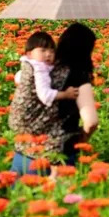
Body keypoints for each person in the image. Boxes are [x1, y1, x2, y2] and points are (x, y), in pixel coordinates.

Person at [8, 31, 80, 176]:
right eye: (43, 50)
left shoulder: (28, 66)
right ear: (29, 54)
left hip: (23, 148)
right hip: (42, 147)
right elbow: (45, 95)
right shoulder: (39, 70)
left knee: (17, 190)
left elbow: (18, 77)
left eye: (52, 50)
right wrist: (66, 94)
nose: (48, 54)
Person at [48, 24, 99, 168]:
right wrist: (82, 138)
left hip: (26, 151)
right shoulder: (78, 76)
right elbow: (91, 122)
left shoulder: (44, 69)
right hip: (59, 153)